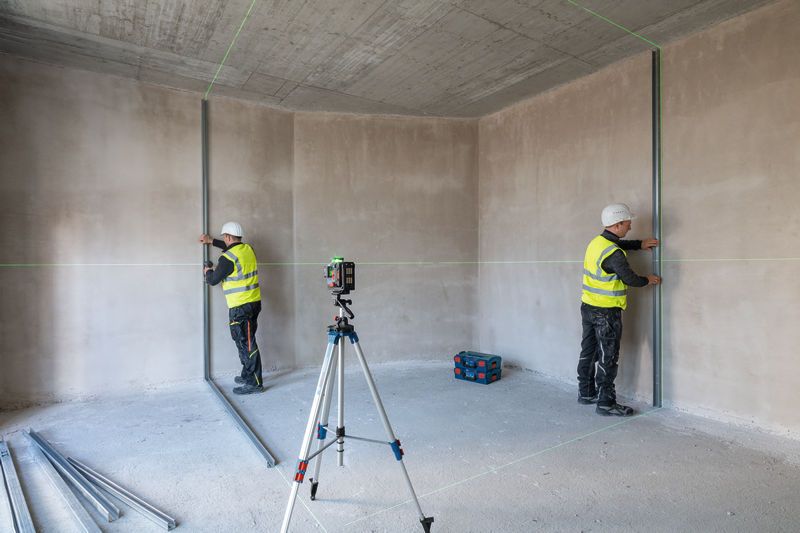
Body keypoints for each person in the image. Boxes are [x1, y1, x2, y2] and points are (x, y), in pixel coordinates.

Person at [578, 203, 661, 416]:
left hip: (588, 306)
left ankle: (586, 393)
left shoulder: (597, 242)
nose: (630, 227)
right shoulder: (614, 254)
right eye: (627, 223)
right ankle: (606, 403)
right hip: (606, 312)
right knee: (608, 357)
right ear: (617, 225)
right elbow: (630, 278)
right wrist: (648, 280)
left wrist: (639, 244)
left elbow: (619, 245)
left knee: (589, 351)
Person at [200, 222, 264, 395]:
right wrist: (211, 241)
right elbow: (230, 247)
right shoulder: (247, 249)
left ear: (227, 237)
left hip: (240, 307)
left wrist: (207, 271)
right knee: (245, 341)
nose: (224, 241)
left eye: (224, 238)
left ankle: (255, 383)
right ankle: (247, 374)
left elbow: (213, 280)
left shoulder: (227, 258)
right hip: (253, 302)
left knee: (246, 343)